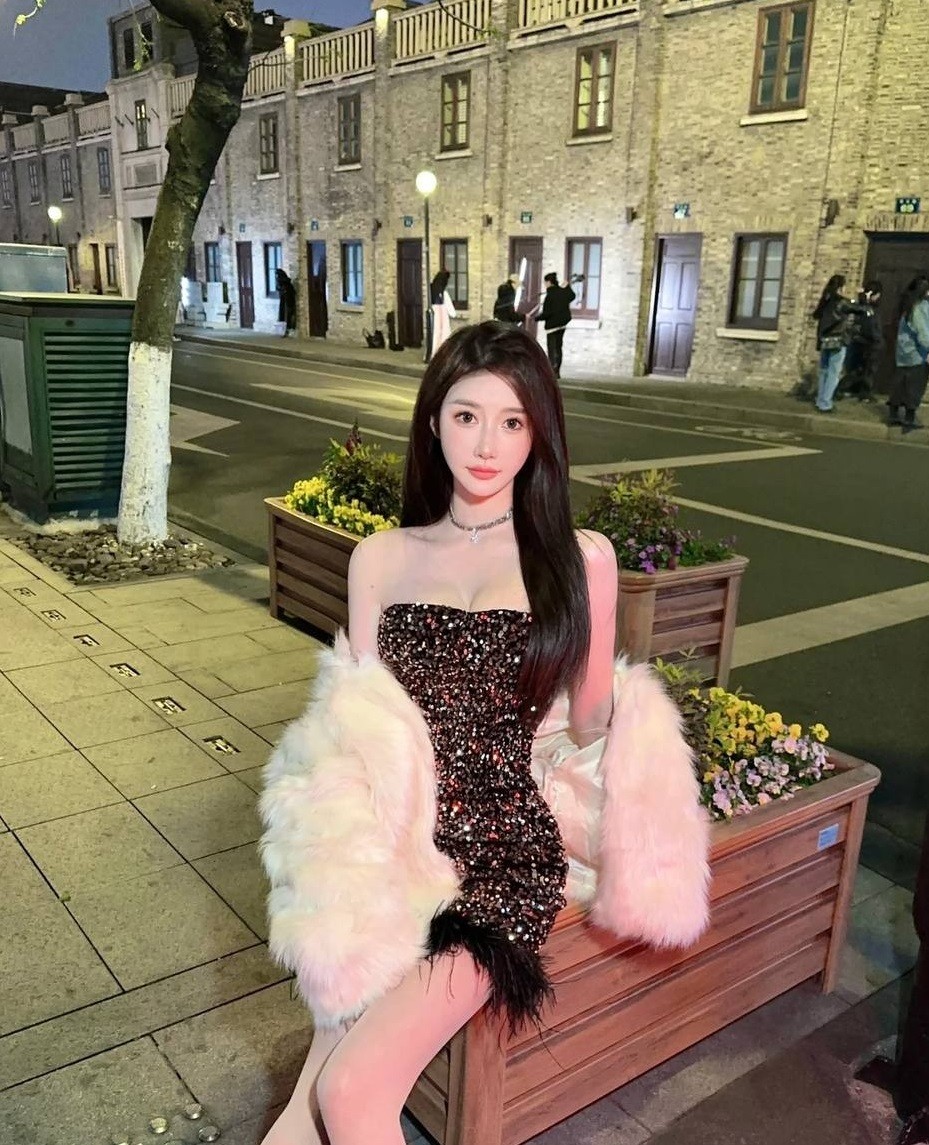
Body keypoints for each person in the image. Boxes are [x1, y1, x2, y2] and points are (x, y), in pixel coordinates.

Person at [259, 322, 710, 1145]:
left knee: (352, 1090)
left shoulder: (577, 557)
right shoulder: (381, 558)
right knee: (304, 1106)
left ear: (538, 435)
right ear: (433, 420)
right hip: (395, 846)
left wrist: (639, 733)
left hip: (503, 856)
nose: (486, 444)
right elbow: (359, 727)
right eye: (466, 416)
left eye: (511, 421)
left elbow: (589, 718)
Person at [812, 274, 864, 413]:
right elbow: (860, 309)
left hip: (825, 341)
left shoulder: (825, 301)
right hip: (838, 341)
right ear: (841, 287)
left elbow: (816, 315)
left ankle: (820, 400)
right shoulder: (842, 302)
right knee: (833, 373)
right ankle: (825, 403)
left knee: (824, 371)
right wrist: (862, 297)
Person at [888, 275, 929, 432]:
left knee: (899, 385)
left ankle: (893, 414)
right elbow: (923, 332)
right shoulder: (919, 307)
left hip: (902, 352)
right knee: (915, 387)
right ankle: (909, 418)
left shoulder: (905, 304)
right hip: (917, 354)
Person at [839, 279, 884, 403]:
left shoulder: (862, 306)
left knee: (861, 370)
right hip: (868, 343)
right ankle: (853, 391)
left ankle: (858, 391)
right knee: (863, 370)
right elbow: (870, 326)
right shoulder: (867, 309)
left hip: (863, 341)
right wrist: (877, 339)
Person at [536, 271, 576, 379]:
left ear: (549, 282)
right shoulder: (562, 292)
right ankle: (556, 371)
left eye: (545, 282)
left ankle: (552, 371)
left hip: (552, 325)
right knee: (558, 347)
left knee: (552, 348)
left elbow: (547, 313)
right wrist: (567, 287)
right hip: (562, 324)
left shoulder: (550, 296)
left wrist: (536, 318)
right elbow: (572, 296)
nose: (545, 285)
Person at [429, 269, 457, 357]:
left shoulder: (431, 289)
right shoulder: (444, 293)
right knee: (443, 335)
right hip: (442, 314)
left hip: (433, 314)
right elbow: (450, 309)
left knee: (434, 335)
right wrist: (453, 313)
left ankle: (432, 354)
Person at [276, 267, 297, 337]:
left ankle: (286, 330)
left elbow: (290, 292)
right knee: (285, 315)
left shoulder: (285, 283)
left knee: (286, 315)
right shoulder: (283, 282)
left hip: (287, 301)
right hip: (285, 301)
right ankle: (284, 330)